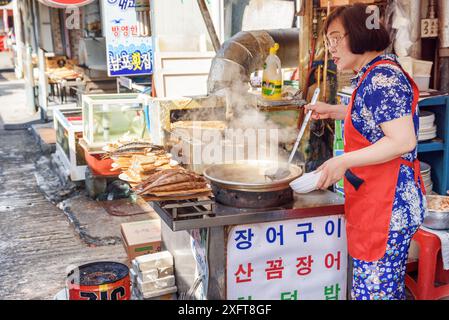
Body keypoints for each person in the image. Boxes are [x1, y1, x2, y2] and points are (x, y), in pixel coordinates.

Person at [305, 3, 426, 300]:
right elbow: (374, 116)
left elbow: (402, 140)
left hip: (387, 206)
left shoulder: (383, 78)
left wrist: (343, 161)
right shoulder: (371, 74)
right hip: (377, 200)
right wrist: (334, 111)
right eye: (327, 41)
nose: (330, 48)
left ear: (358, 33)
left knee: (376, 293)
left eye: (336, 38)